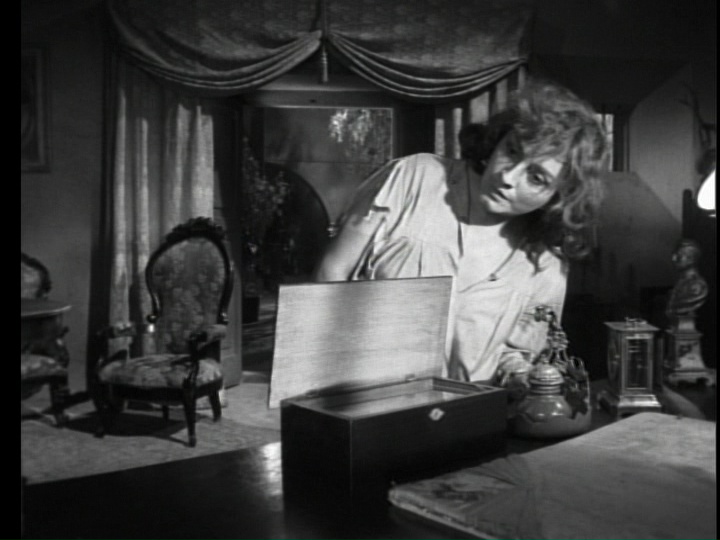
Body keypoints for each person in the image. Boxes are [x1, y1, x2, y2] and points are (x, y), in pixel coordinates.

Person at [313, 78, 610, 383]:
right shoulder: (414, 177)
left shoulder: (545, 264)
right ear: (498, 138)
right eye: (512, 150)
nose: (508, 177)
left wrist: (521, 374)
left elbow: (515, 356)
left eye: (536, 178)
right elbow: (332, 272)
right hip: (359, 395)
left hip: (466, 409)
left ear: (558, 197)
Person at [665, 238, 708, 322]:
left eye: (679, 256)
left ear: (691, 260)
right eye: (674, 255)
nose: (673, 259)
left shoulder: (697, 286)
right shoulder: (682, 282)